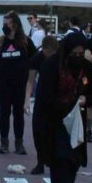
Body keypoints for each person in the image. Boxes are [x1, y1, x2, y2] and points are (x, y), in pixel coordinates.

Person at [31, 31, 92, 183]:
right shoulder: (52, 66)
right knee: (61, 161)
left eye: (81, 54)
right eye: (74, 54)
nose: (77, 58)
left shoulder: (85, 68)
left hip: (75, 122)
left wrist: (84, 100)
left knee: (73, 163)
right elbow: (44, 96)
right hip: (53, 121)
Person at [0, 12, 35, 155]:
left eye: (6, 23)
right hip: (3, 83)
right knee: (4, 113)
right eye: (3, 24)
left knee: (18, 114)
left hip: (20, 83)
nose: (4, 26)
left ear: (14, 24)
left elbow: (34, 59)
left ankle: (19, 143)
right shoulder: (0, 41)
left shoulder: (25, 41)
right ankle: (4, 143)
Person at [24, 36, 60, 175]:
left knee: (54, 131)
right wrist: (27, 99)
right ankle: (40, 161)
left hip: (57, 99)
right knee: (38, 130)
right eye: (48, 52)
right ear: (44, 49)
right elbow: (30, 81)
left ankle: (54, 160)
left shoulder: (61, 59)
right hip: (42, 98)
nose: (50, 56)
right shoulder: (37, 58)